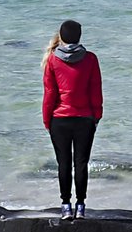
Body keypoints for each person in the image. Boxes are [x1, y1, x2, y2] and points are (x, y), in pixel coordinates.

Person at [41, 18, 103, 220]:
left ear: (61, 36)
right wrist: (97, 115)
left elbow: (50, 94)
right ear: (79, 36)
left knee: (64, 164)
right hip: (85, 119)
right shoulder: (91, 59)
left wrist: (46, 119)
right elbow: (96, 91)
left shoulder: (52, 60)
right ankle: (81, 206)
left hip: (59, 119)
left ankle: (66, 206)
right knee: (81, 164)